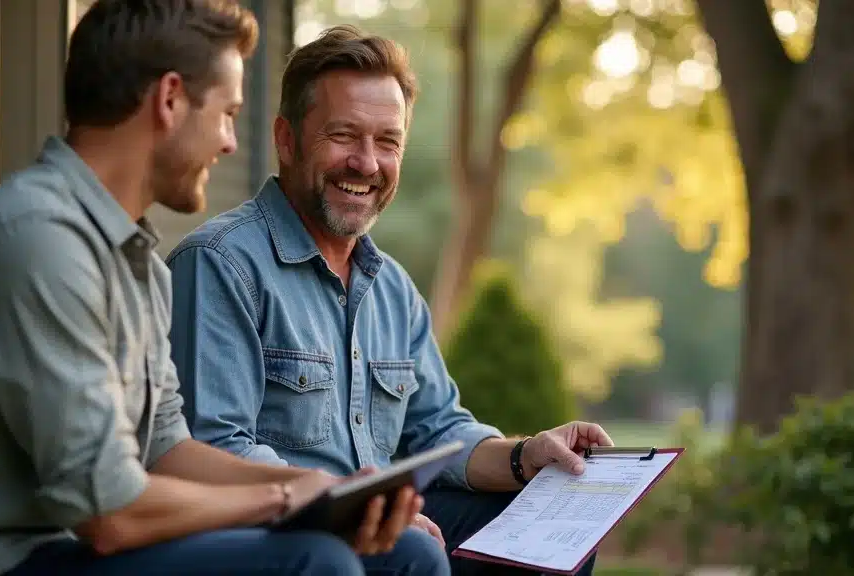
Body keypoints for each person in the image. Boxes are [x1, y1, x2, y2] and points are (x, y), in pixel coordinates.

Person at [0, 3, 446, 576]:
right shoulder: (36, 239)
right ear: (170, 100)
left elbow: (167, 449)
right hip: (12, 561)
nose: (230, 143)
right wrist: (284, 500)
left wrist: (318, 487)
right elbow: (109, 512)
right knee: (315, 560)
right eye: (227, 112)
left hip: (88, 547)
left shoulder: (136, 262)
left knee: (409, 556)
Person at [165, 25, 613, 576]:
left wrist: (526, 457)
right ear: (287, 139)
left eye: (387, 141)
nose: (367, 163)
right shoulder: (219, 263)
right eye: (344, 136)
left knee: (551, 544)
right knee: (416, 551)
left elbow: (441, 433)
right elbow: (214, 449)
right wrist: (348, 502)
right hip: (282, 535)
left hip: (376, 523)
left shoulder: (392, 288)